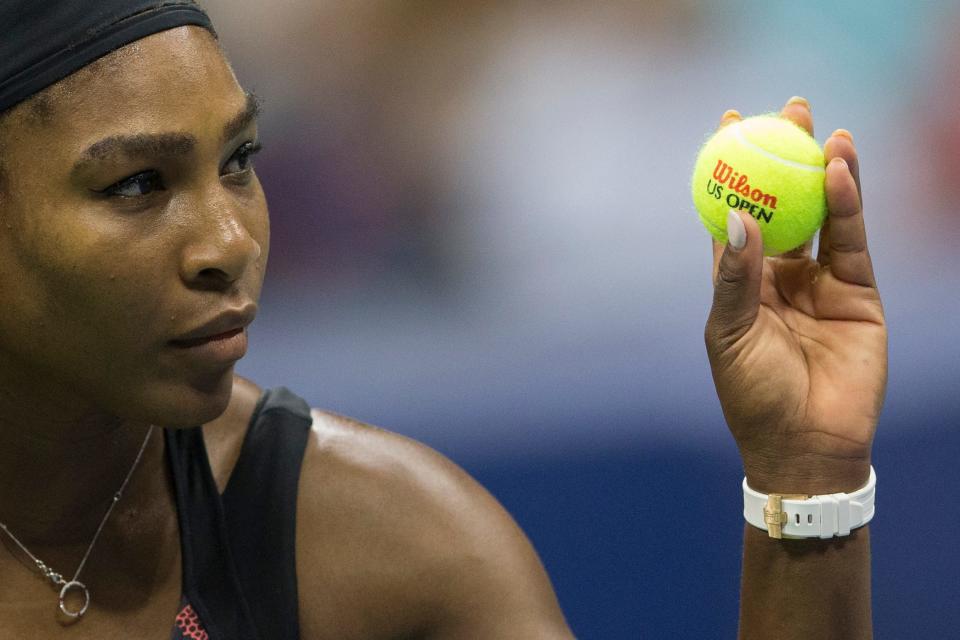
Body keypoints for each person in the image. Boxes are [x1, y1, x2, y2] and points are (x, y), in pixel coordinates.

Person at [0, 2, 886, 639]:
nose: (228, 242)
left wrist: (805, 480)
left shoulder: (396, 546)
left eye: (239, 162)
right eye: (137, 185)